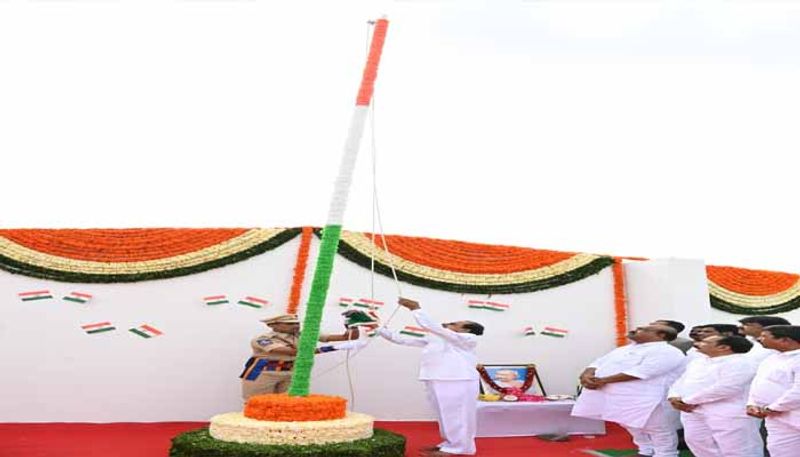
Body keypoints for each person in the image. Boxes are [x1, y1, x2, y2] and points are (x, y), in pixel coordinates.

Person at [378, 297, 484, 457]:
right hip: (436, 379)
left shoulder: (468, 339)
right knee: (444, 415)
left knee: (458, 416)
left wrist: (416, 308)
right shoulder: (437, 338)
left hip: (459, 381)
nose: (450, 322)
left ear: (466, 330)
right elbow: (402, 340)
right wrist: (379, 329)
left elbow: (435, 328)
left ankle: (460, 447)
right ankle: (449, 444)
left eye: (456, 323)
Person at [572, 325, 686, 457]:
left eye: (642, 330)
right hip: (617, 396)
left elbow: (643, 372)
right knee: (629, 424)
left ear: (661, 335)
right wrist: (586, 375)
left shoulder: (668, 352)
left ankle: (666, 454)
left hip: (647, 398)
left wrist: (603, 381)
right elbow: (598, 363)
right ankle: (645, 451)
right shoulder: (623, 349)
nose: (635, 330)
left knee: (657, 428)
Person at [668, 335, 763, 457]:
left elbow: (727, 388)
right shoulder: (699, 361)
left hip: (727, 412)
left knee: (737, 448)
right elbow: (681, 381)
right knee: (698, 443)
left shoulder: (742, 362)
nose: (698, 343)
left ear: (724, 347)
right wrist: (673, 396)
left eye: (704, 341)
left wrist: (687, 401)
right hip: (692, 411)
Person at [240, 313, 358, 400]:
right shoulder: (263, 339)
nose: (295, 325)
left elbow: (348, 337)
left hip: (290, 372)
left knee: (288, 403)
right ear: (273, 325)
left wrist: (352, 324)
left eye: (297, 323)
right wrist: (331, 348)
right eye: (289, 324)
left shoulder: (304, 335)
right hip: (263, 372)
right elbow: (292, 352)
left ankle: (282, 430)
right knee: (257, 402)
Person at [746, 325, 800, 457]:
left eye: (764, 336)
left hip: (791, 414)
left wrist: (773, 408)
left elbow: (798, 391)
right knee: (779, 451)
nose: (759, 339)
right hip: (775, 417)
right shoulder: (771, 358)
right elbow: (758, 382)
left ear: (785, 340)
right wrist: (752, 403)